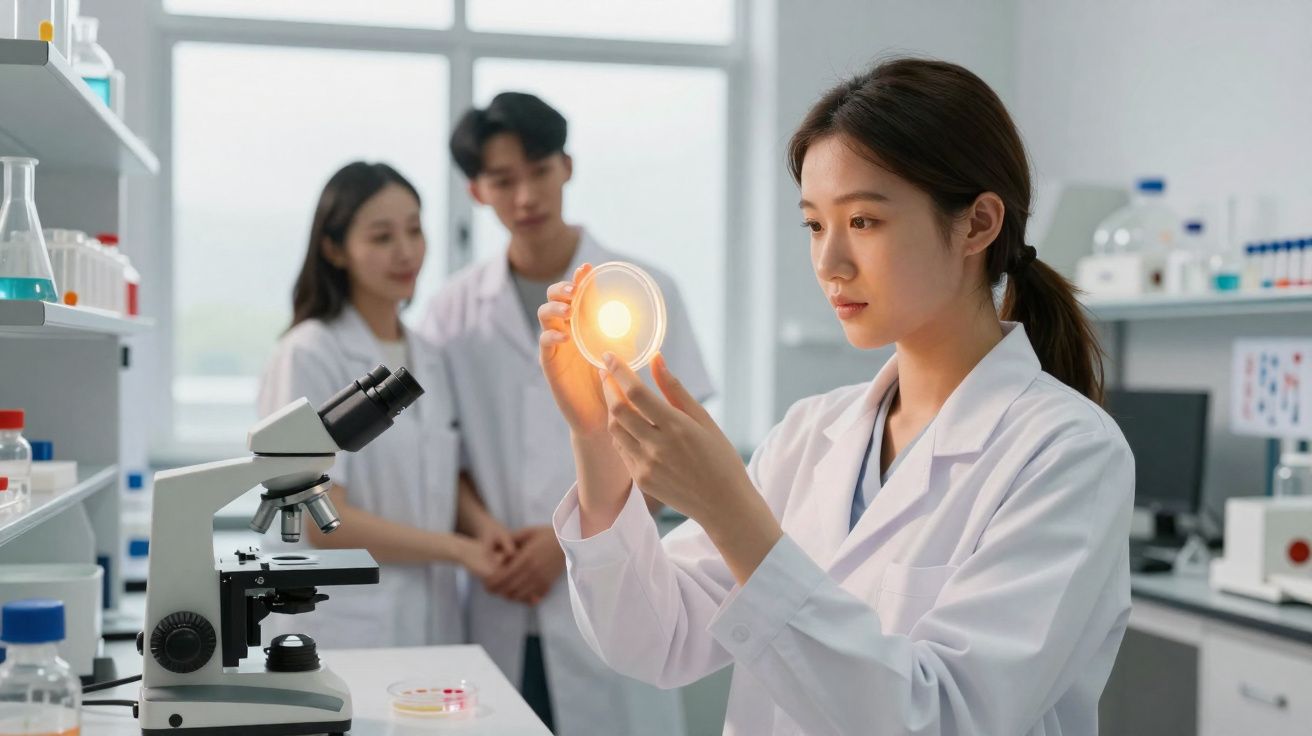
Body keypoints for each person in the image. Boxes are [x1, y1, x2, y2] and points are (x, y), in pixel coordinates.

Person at [539, 59, 1135, 736]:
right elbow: (654, 639)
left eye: (864, 221)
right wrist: (595, 439)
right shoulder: (811, 432)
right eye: (816, 226)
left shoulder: (1068, 454)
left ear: (977, 224)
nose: (829, 264)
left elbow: (941, 716)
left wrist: (729, 509)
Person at [419, 92, 710, 735]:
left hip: (613, 577)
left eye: (540, 171)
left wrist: (565, 544)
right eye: (503, 181)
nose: (525, 196)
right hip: (499, 592)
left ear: (567, 167)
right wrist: (488, 537)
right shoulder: (449, 313)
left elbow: (677, 447)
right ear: (476, 192)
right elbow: (441, 451)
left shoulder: (644, 292)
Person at [259, 161, 511, 649]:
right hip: (346, 625)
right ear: (334, 249)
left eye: (414, 231)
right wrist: (457, 549)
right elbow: (322, 520)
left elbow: (442, 476)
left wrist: (483, 529)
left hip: (431, 619)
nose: (406, 252)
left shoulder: (429, 356)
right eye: (382, 237)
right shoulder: (310, 353)